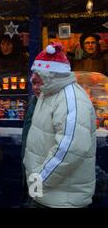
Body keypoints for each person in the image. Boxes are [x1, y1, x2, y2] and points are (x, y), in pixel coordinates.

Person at [24, 43, 97, 208]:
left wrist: (38, 180)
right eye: (33, 81)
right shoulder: (47, 93)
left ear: (51, 77)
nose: (34, 87)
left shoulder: (71, 100)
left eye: (38, 81)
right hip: (48, 194)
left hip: (62, 199)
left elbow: (72, 149)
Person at [20, 73, 44, 206]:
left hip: (41, 169)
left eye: (41, 83)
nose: (37, 87)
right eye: (34, 83)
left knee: (36, 200)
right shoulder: (33, 101)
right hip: (29, 162)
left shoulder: (54, 106)